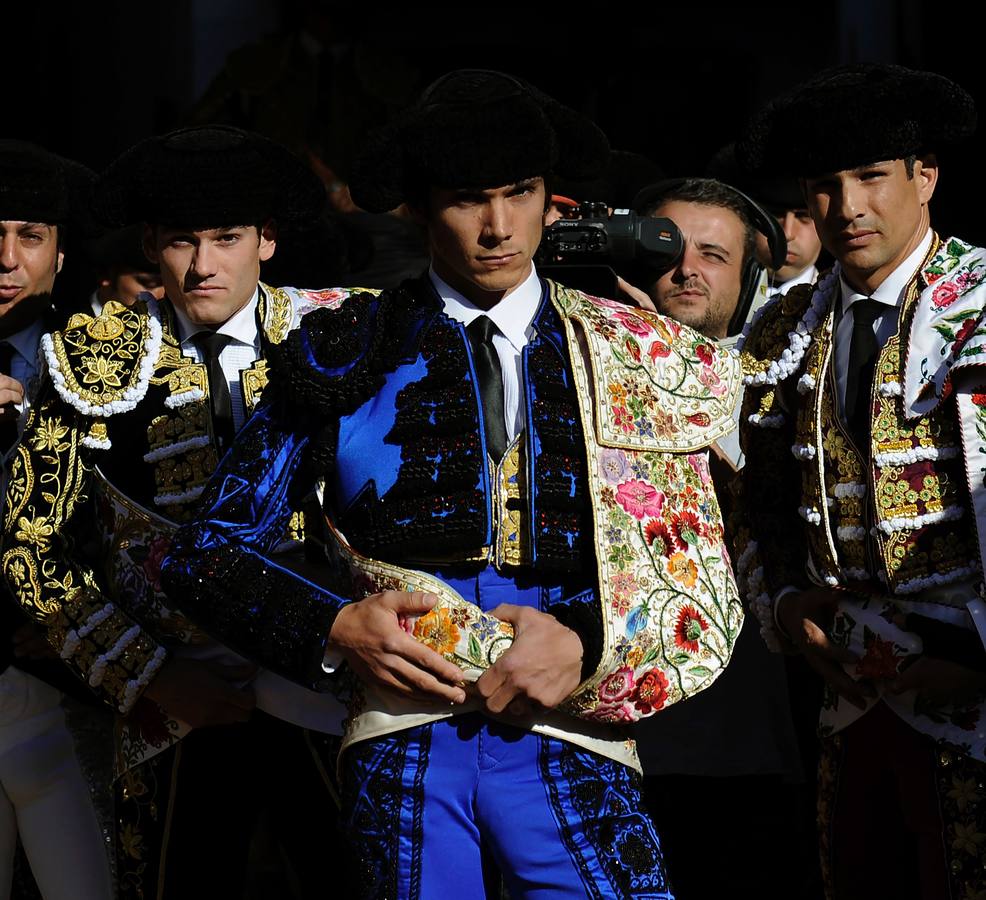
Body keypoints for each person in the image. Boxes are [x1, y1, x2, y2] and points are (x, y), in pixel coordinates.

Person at [162, 69, 745, 899]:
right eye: (469, 199)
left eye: (520, 194)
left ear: (551, 200)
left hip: (572, 722)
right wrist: (336, 624)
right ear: (418, 207)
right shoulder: (343, 347)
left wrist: (586, 641)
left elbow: (695, 569)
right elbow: (206, 553)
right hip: (403, 734)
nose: (498, 227)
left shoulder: (632, 349)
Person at [0, 125, 350, 899]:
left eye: (226, 238)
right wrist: (152, 675)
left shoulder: (341, 331)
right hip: (181, 706)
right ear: (151, 244)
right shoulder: (86, 359)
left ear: (266, 240)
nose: (203, 266)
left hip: (332, 684)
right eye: (183, 241)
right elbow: (32, 550)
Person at [734, 63, 984, 900]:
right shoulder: (782, 327)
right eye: (824, 186)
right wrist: (786, 605)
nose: (847, 208)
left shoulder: (982, 305)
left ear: (925, 176)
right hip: (847, 696)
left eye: (871, 177)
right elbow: (760, 498)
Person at [630, 177, 804, 899]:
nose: (687, 270)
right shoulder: (579, 366)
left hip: (756, 748)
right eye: (667, 249)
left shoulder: (785, 387)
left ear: (750, 277)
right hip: (619, 746)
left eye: (713, 254)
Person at [0, 139, 112, 899]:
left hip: (67, 688)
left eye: (30, 236)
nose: (7, 259)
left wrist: (80, 630)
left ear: (61, 254)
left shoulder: (107, 366)